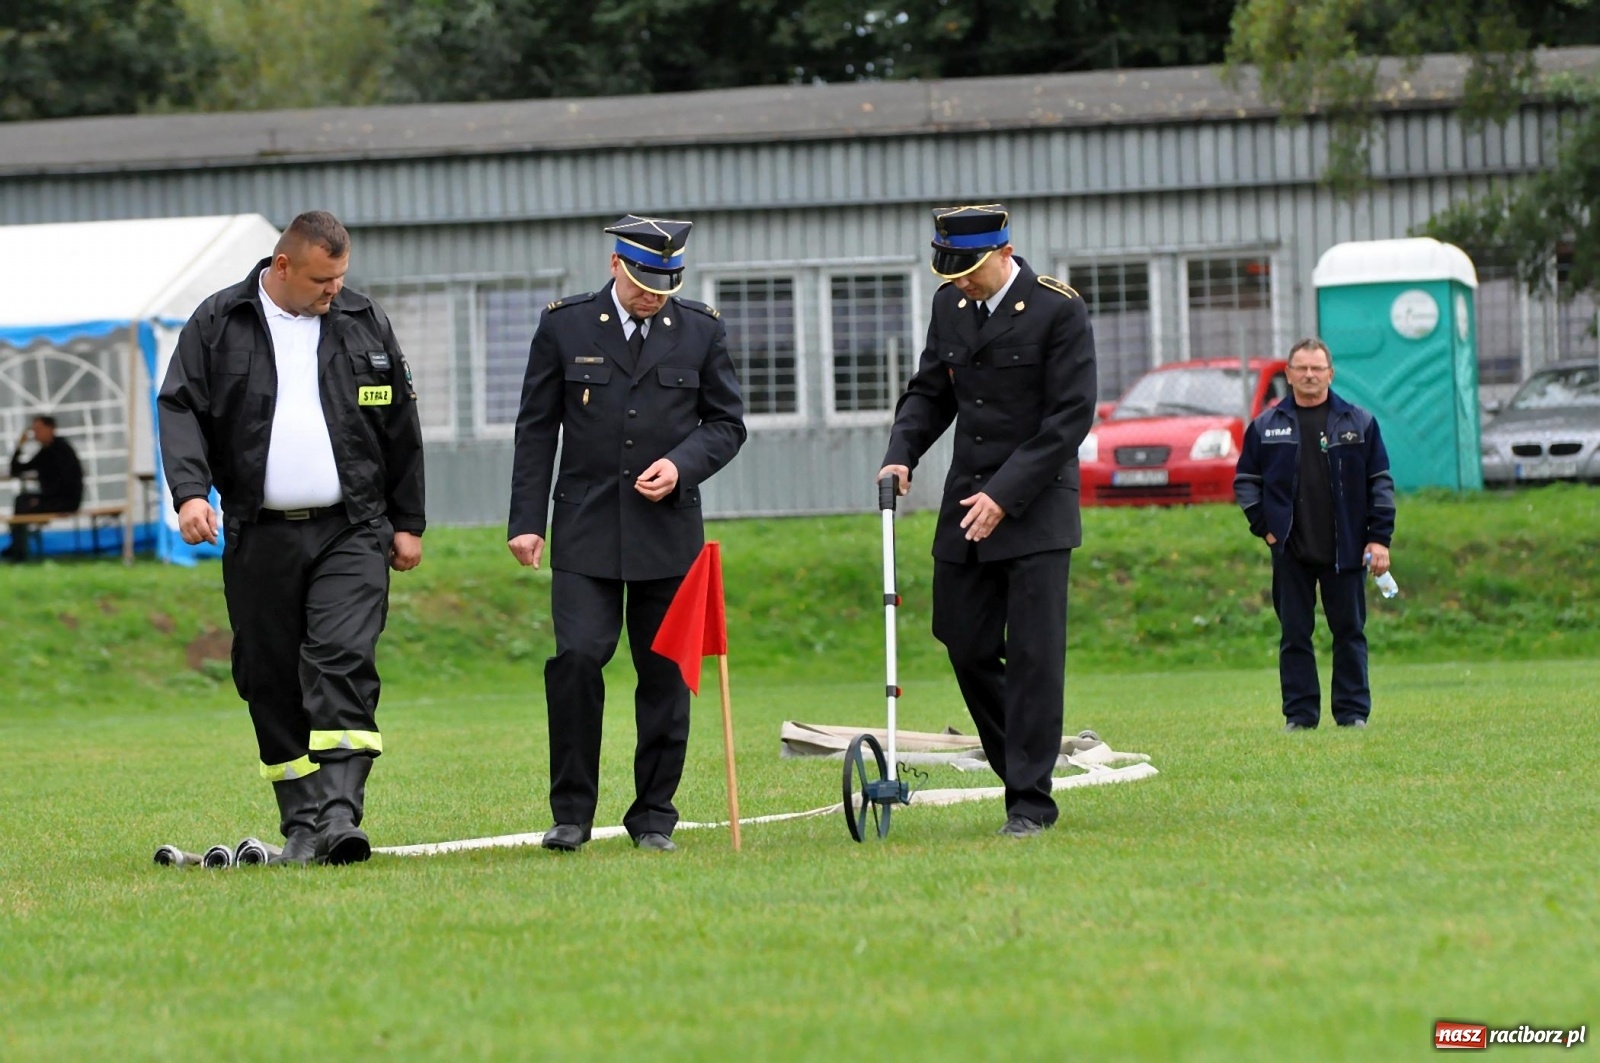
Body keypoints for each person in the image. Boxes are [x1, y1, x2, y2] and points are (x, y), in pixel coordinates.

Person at [158, 210, 426, 865]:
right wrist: (191, 493)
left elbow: (400, 423)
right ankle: (303, 823)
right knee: (268, 674)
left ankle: (339, 815)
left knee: (341, 656)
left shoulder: (363, 320)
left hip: (352, 527)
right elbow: (180, 407)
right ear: (282, 266)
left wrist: (408, 521)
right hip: (260, 533)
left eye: (340, 277)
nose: (335, 289)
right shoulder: (219, 323)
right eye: (321, 279)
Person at [508, 214, 746, 853]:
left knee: (665, 672)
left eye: (666, 285)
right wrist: (527, 521)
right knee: (577, 659)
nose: (653, 296)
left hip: (668, 535)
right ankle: (571, 815)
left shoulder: (701, 330)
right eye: (644, 282)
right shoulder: (565, 326)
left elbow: (727, 424)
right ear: (616, 264)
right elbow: (536, 427)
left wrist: (681, 465)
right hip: (585, 527)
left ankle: (654, 816)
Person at [878, 204, 1098, 839]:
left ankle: (1029, 801)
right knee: (962, 638)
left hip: (1035, 506)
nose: (962, 282)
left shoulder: (1058, 310)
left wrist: (1005, 494)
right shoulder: (951, 304)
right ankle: (1020, 762)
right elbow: (931, 392)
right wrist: (901, 451)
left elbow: (1069, 417)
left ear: (1005, 252)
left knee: (1032, 656)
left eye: (971, 269)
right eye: (953, 271)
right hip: (967, 501)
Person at [1234, 337, 1395, 732]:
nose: (1309, 375)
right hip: (1290, 550)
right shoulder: (1265, 426)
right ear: (1288, 375)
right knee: (1294, 636)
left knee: (1349, 633)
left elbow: (1380, 482)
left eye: (1317, 368)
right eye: (1301, 368)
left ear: (1330, 374)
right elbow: (1246, 482)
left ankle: (1352, 714)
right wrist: (1267, 531)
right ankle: (1300, 716)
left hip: (1347, 549)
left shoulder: (1359, 422)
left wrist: (1379, 538)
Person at [4, 415, 84, 561]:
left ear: (50, 429)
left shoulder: (61, 450)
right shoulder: (45, 452)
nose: (35, 433)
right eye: (34, 430)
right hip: (53, 498)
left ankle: (18, 550)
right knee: (22, 500)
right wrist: (20, 447)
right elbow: (17, 469)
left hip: (65, 501)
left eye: (39, 429)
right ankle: (17, 546)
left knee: (23, 502)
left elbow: (65, 482)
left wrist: (43, 499)